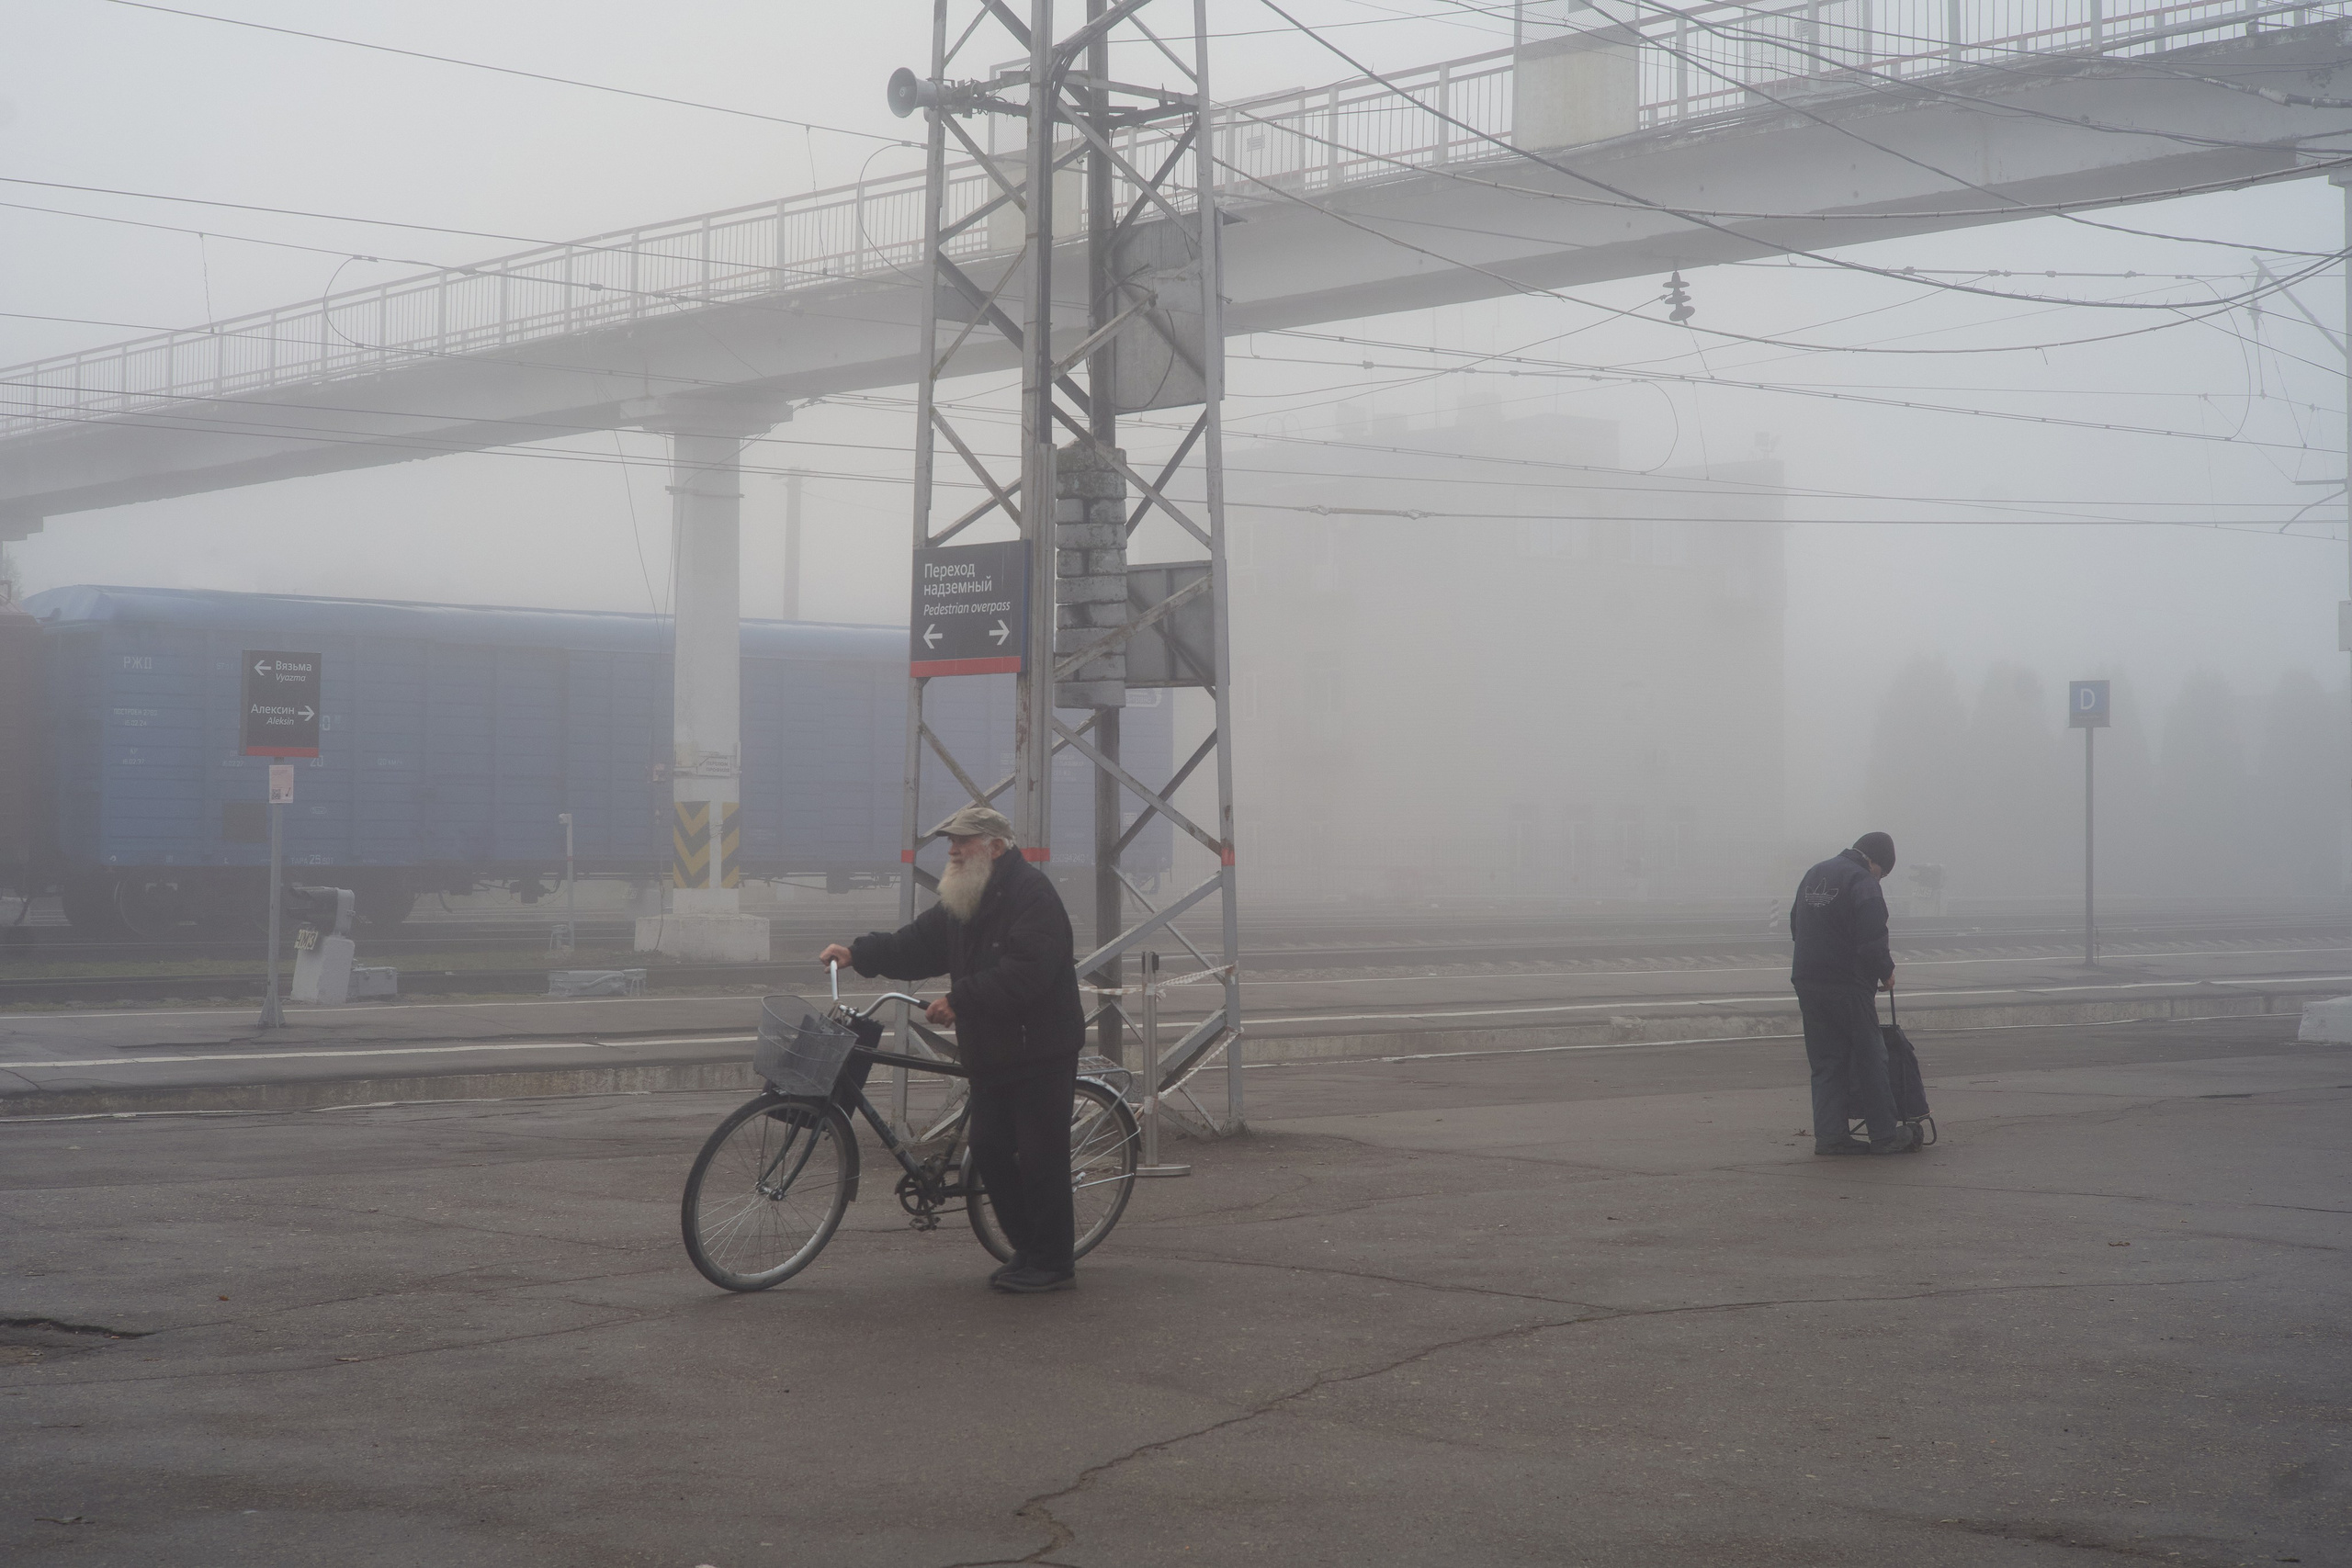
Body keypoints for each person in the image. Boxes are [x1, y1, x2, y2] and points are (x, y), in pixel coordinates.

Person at [818, 804, 1088, 1293]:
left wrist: (961, 999)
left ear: (995, 847)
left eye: (963, 841)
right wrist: (859, 954)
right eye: (951, 842)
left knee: (1039, 1157)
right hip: (992, 1050)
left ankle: (1054, 1263)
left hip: (1040, 1049)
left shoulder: (1033, 895)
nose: (953, 851)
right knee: (989, 1151)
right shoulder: (967, 896)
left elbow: (1027, 972)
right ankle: (1027, 1250)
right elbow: (917, 943)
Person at [1788, 830, 1920, 1156]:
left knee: (1826, 1061)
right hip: (1847, 984)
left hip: (1807, 980)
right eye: (1882, 874)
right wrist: (1886, 971)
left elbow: (1795, 924)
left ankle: (1830, 1137)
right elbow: (1872, 938)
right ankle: (1885, 1135)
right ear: (1875, 863)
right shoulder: (1863, 882)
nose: (1880, 879)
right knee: (1871, 1057)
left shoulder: (1815, 872)